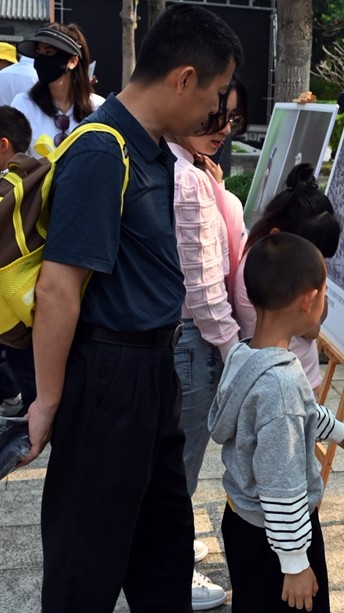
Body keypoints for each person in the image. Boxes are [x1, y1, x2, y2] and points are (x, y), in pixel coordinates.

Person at [19, 5, 243, 612]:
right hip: (108, 381)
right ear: (185, 79)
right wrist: (48, 399)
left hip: (151, 375)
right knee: (85, 568)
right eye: (219, 96)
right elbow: (59, 289)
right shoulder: (104, 149)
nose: (218, 115)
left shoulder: (150, 148)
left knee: (162, 554)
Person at [209, 232, 344, 612]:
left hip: (243, 522)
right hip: (278, 539)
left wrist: (339, 432)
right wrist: (296, 563)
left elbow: (303, 412)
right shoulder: (280, 385)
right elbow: (282, 482)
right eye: (325, 292)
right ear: (309, 301)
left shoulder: (245, 354)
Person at [168, 79, 248, 602]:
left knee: (177, 456)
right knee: (183, 461)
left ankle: (167, 545)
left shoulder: (184, 167)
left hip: (182, 337)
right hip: (194, 341)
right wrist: (232, 349)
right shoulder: (188, 181)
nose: (223, 129)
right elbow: (202, 286)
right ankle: (172, 567)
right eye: (213, 116)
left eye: (232, 118)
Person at [233, 163, 341, 395]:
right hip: (293, 384)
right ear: (278, 236)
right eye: (313, 252)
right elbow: (312, 330)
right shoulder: (281, 276)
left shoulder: (258, 257)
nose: (317, 261)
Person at [11, 23, 104, 156]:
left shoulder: (98, 108)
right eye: (38, 54)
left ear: (72, 61)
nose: (41, 61)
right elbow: (14, 162)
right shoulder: (23, 104)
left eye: (49, 52)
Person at [0, 105, 37, 417]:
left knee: (31, 384)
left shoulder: (7, 191)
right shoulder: (33, 177)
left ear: (3, 145)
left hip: (14, 316)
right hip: (30, 309)